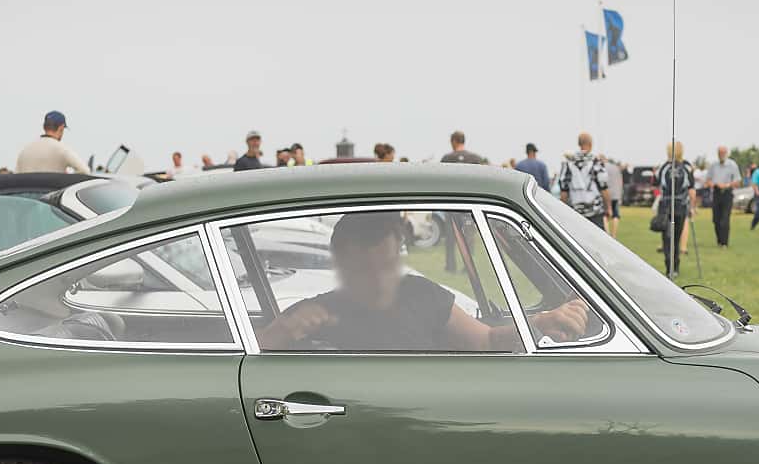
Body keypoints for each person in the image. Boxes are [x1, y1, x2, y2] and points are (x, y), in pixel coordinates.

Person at [257, 212, 588, 352]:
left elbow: (487, 340)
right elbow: (253, 352)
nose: (378, 278)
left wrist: (540, 323)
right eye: (364, 268)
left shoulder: (420, 294)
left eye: (386, 265)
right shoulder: (316, 311)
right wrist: (286, 330)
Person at [553, 133, 612, 231]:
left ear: (579, 144)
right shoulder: (596, 161)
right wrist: (608, 208)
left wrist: (562, 211)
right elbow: (603, 188)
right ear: (591, 144)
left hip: (575, 213)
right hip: (595, 212)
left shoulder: (568, 163)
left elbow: (564, 191)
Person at [656, 143, 697, 279]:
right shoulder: (686, 168)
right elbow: (691, 191)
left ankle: (669, 268)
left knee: (667, 238)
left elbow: (657, 185)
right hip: (681, 207)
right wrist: (692, 207)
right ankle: (676, 267)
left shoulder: (663, 168)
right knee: (677, 238)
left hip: (666, 207)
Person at [17, 110, 88, 174]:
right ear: (61, 128)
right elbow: (84, 170)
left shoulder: (25, 150)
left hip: (27, 188)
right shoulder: (61, 149)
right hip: (54, 188)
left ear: (44, 127)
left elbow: (16, 174)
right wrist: (67, 178)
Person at [707, 145, 742, 246]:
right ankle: (719, 240)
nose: (721, 155)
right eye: (719, 153)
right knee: (716, 219)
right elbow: (708, 180)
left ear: (726, 154)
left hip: (727, 193)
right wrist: (713, 184)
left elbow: (737, 181)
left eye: (723, 153)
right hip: (716, 192)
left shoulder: (732, 165)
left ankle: (724, 242)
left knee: (725, 219)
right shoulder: (713, 165)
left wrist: (727, 185)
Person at [604, 160, 624, 236]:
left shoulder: (603, 167)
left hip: (607, 194)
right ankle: (614, 234)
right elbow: (621, 181)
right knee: (615, 215)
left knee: (605, 215)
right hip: (616, 194)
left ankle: (607, 234)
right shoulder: (617, 168)